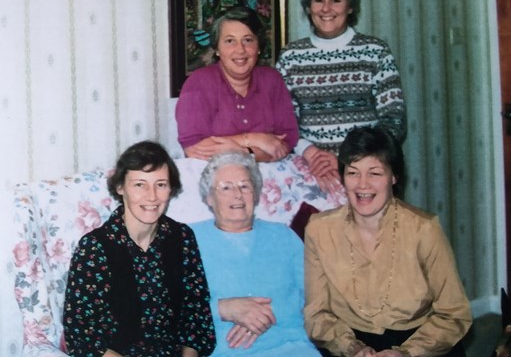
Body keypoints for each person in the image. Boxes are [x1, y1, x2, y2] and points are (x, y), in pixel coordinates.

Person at [304, 126, 472, 357]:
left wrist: (406, 353)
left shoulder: (424, 228)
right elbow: (317, 315)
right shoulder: (319, 230)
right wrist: (352, 348)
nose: (363, 185)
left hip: (420, 341)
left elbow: (454, 314)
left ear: (393, 177)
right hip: (348, 340)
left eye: (375, 173)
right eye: (353, 172)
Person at [63, 141, 216, 357]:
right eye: (140, 184)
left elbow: (196, 316)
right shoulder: (95, 247)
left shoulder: (182, 238)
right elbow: (83, 334)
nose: (152, 196)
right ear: (120, 188)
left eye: (160, 184)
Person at [276, 0, 406, 195]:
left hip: (365, 173)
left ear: (350, 7)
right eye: (318, 0)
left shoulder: (375, 51)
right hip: (313, 171)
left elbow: (394, 122)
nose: (326, 8)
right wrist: (313, 154)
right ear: (308, 7)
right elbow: (283, 123)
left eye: (336, 0)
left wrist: (348, 160)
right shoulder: (290, 57)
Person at [189, 151, 321, 356]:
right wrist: (223, 309)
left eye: (244, 186)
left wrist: (261, 315)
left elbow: (316, 298)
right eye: (226, 187)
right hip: (225, 352)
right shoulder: (187, 239)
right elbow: (168, 304)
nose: (237, 195)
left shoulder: (284, 236)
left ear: (257, 193)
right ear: (209, 198)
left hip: (291, 348)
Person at [176, 6, 299, 163]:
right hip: (216, 177)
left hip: (270, 174)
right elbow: (195, 148)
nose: (240, 50)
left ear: (258, 46)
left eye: (248, 40)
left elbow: (285, 142)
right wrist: (257, 139)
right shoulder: (198, 83)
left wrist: (241, 151)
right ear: (217, 49)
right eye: (230, 41)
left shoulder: (272, 79)